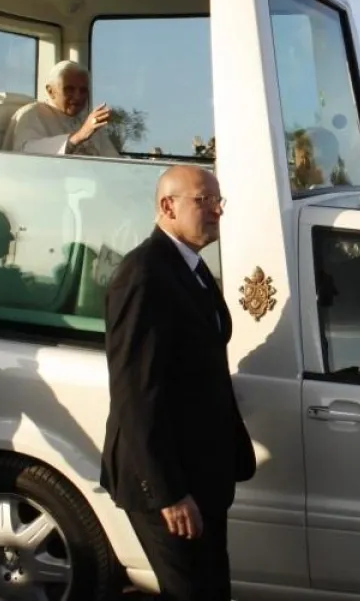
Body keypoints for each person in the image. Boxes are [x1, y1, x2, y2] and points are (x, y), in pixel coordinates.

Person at [100, 165, 255, 601]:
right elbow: (136, 393)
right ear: (168, 206)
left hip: (204, 473)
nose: (216, 210)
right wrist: (168, 493)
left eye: (217, 200)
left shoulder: (193, 268)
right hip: (168, 481)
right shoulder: (144, 274)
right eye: (203, 200)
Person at [5, 60, 120, 157]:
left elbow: (113, 159)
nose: (77, 96)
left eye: (83, 90)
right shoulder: (31, 114)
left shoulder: (87, 119)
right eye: (69, 89)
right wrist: (79, 136)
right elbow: (27, 155)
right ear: (51, 91)